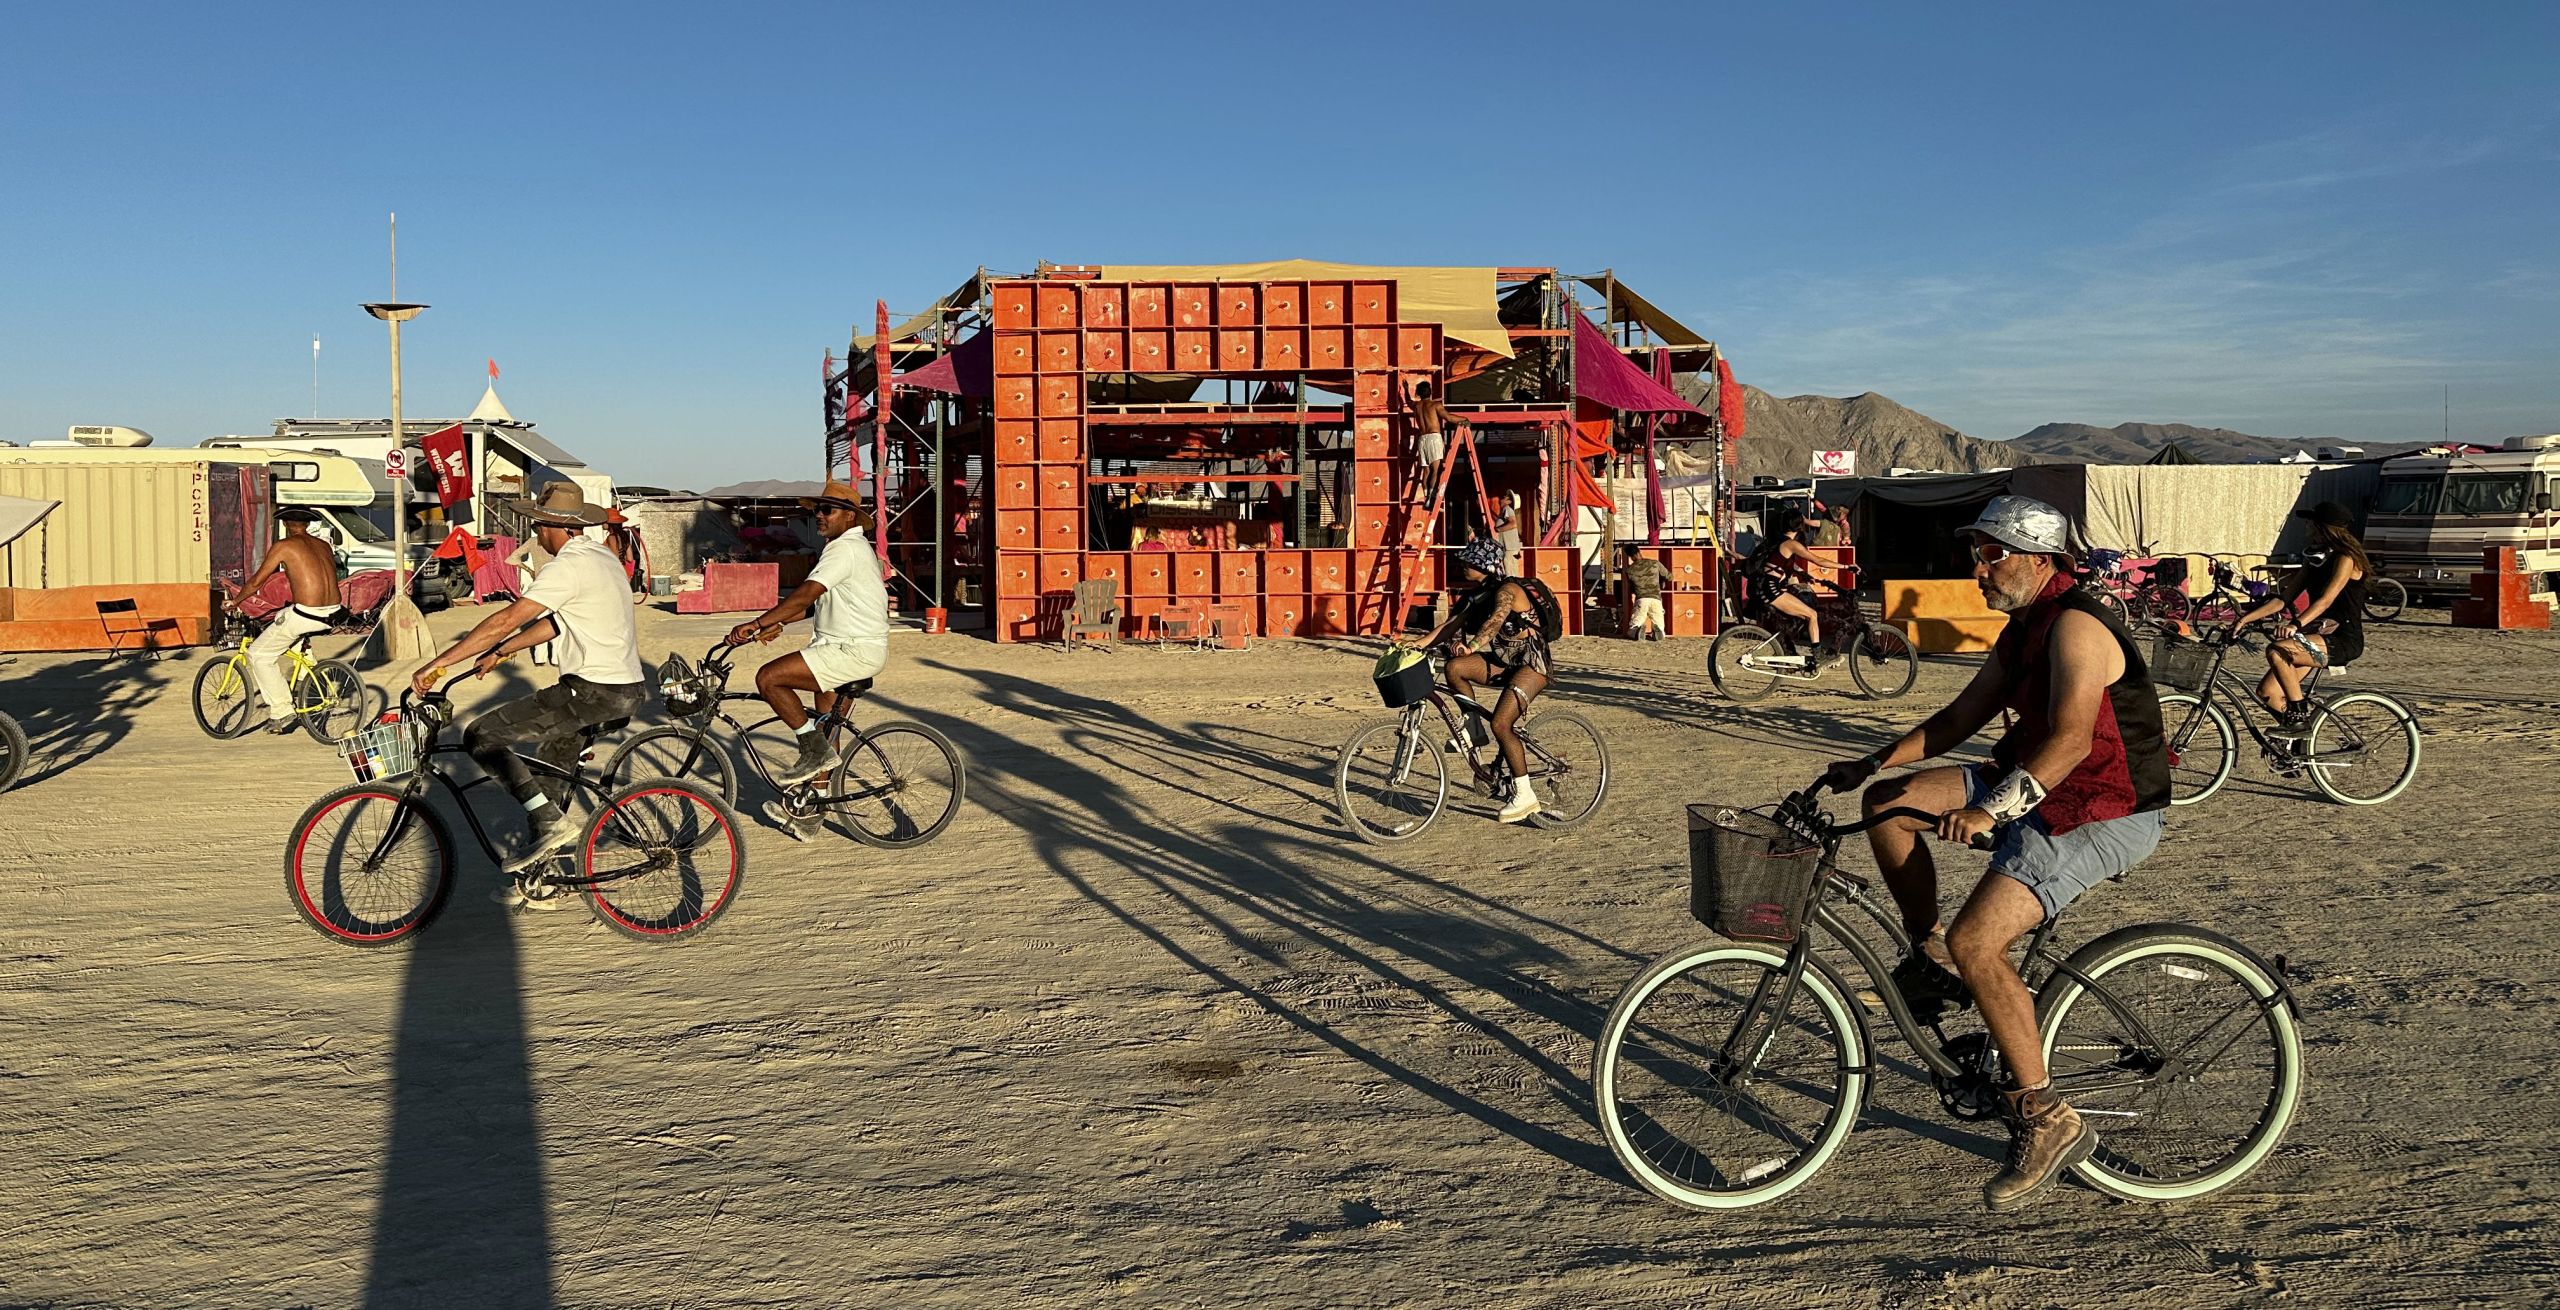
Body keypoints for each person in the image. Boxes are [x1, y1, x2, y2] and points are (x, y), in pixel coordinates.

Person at [1818, 495, 2170, 1213]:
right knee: (1887, 806)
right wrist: (1873, 763)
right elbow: (1957, 719)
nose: (1977, 569)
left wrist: (1989, 810)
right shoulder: (2024, 629)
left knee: (1981, 940)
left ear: (2038, 560)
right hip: (2033, 783)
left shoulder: (2077, 626)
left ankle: (2046, 1115)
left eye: (1990, 554)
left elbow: (2071, 742)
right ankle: (1931, 953)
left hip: (2101, 805)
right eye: (1975, 554)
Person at [412, 482, 648, 903]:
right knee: (548, 780)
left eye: (538, 527)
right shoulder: (603, 558)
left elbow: (505, 619)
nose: (536, 535)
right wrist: (503, 651)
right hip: (622, 689)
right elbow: (559, 623)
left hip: (591, 691)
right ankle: (541, 879)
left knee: (481, 736)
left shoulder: (568, 566)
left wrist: (438, 663)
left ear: (555, 527)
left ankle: (549, 826)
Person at [726, 480, 891, 799]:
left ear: (850, 516)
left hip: (850, 651)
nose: (819, 515)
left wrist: (757, 622)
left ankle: (813, 752)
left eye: (827, 510)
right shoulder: (849, 548)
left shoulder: (845, 549)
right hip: (847, 648)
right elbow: (815, 605)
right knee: (827, 729)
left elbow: (805, 594)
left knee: (769, 678)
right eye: (817, 510)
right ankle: (815, 801)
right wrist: (776, 623)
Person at [1400, 537, 1550, 824]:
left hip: (1532, 664)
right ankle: (1473, 728)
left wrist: (1473, 646)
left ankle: (1525, 795)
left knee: (1502, 724)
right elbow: (1449, 626)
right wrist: (1416, 645)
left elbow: (1495, 621)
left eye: (1469, 561)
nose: (1463, 565)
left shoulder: (1508, 590)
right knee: (1454, 668)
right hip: (1506, 661)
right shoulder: (1477, 595)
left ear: (1485, 566)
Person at [2238, 501, 2367, 737]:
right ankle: (2298, 744)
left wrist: (2294, 624)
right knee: (2269, 693)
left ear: (2323, 527)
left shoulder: (2346, 558)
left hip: (2341, 639)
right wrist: (2244, 619)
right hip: (2317, 636)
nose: (2307, 527)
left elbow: (2326, 600)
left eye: (2311, 523)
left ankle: (2298, 717)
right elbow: (2284, 599)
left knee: (2278, 651)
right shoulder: (2315, 559)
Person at [228, 507, 345, 735]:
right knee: (283, 616)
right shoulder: (324, 545)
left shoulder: (283, 546)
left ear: (285, 525)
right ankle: (304, 664)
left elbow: (257, 582)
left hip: (307, 614)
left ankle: (281, 710)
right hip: (333, 612)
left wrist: (235, 601)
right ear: (307, 525)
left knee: (258, 655)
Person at [1743, 505, 1854, 661]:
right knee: (1812, 615)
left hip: (1764, 587)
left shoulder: (1776, 540)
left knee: (1797, 614)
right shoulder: (1791, 544)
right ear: (1800, 526)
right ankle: (1818, 656)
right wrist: (1846, 567)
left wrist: (1802, 573)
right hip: (1771, 589)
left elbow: (1780, 563)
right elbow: (1818, 560)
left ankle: (1788, 650)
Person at [1402, 379, 1467, 506]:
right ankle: (1431, 497)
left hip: (1422, 439)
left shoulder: (1416, 406)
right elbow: (1449, 418)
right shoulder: (1435, 405)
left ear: (1418, 393)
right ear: (1430, 392)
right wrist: (1464, 419)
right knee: (1435, 470)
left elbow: (1408, 401)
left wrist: (1406, 389)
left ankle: (1426, 496)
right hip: (1434, 437)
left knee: (1426, 471)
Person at [1619, 544, 1668, 641]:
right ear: (1639, 551)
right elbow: (1669, 576)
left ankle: (1637, 631)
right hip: (1656, 599)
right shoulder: (1655, 563)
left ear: (1630, 556)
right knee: (1660, 626)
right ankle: (1658, 631)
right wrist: (1661, 581)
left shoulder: (1630, 570)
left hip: (1641, 599)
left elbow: (1631, 589)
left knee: (1633, 626)